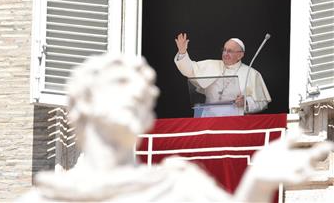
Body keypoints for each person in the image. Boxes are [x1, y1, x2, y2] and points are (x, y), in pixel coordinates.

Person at [18, 53, 333, 202]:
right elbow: (192, 69)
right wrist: (182, 53)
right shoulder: (41, 199)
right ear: (82, 106)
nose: (135, 99)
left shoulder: (182, 187)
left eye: (141, 96)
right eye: (120, 89)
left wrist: (257, 186)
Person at [174, 32, 271, 115]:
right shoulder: (211, 64)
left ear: (240, 55)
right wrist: (182, 52)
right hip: (209, 118)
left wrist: (246, 102)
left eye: (230, 51)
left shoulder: (252, 73)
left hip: (236, 121)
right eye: (224, 50)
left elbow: (262, 102)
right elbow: (189, 70)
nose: (225, 54)